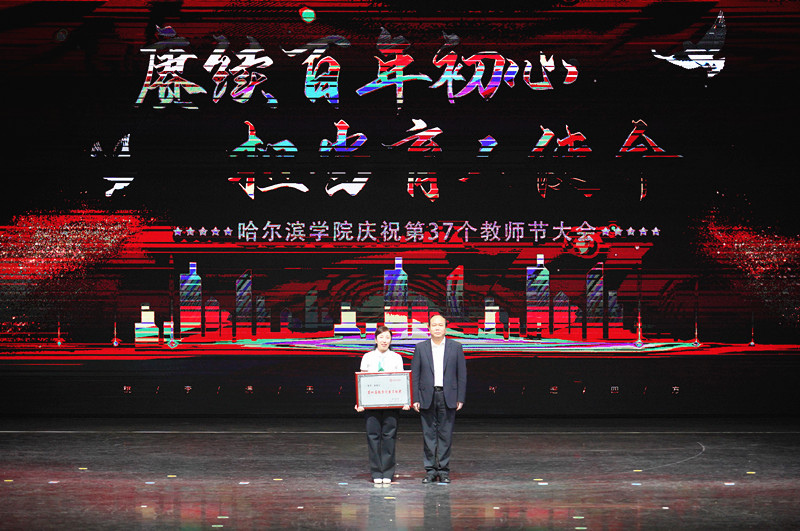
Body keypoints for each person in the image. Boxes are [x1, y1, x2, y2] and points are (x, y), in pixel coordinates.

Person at [411, 314, 467, 484]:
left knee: (445, 435)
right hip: (426, 396)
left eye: (440, 325)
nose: (437, 328)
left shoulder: (455, 347)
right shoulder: (420, 348)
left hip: (447, 395)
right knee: (428, 435)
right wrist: (415, 397)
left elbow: (461, 374)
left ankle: (443, 470)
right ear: (428, 328)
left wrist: (460, 397)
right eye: (434, 325)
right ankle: (430, 470)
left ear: (445, 328)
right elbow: (415, 375)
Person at [355, 325, 409, 484]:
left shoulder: (396, 357)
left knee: (389, 437)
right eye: (381, 337)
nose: (384, 340)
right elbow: (362, 382)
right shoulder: (367, 357)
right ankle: (376, 473)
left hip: (391, 405)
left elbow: (401, 381)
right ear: (375, 339)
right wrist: (360, 402)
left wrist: (405, 401)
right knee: (373, 438)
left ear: (391, 340)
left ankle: (388, 473)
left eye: (387, 337)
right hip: (371, 405)